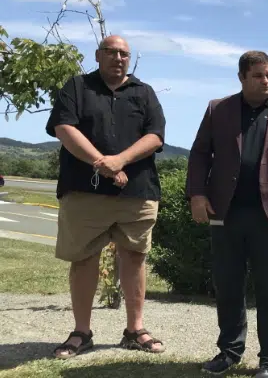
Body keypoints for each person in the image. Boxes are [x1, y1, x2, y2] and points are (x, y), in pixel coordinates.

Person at [186, 50, 268, 378]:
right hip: (226, 212)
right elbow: (201, 153)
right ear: (242, 77)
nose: (267, 81)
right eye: (259, 76)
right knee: (228, 285)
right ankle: (229, 351)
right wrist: (197, 194)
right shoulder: (219, 109)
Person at [45, 35, 167, 359]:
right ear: (98, 55)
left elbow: (155, 136)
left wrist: (120, 161)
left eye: (124, 53)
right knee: (84, 259)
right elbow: (64, 128)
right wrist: (105, 164)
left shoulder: (144, 93)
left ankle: (135, 329)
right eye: (111, 52)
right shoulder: (77, 87)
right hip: (84, 191)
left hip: (137, 191)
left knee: (134, 257)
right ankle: (81, 332)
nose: (118, 58)